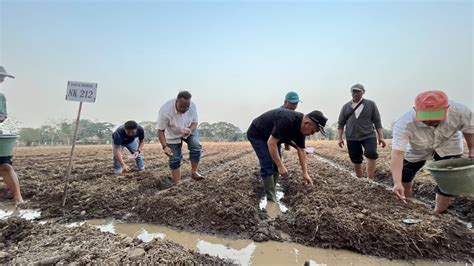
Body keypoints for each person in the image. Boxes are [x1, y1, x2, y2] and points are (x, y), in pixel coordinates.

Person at [391, 90, 473, 214]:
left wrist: (472, 148)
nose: (430, 121)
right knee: (405, 175)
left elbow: (469, 129)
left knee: (449, 179)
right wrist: (397, 183)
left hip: (448, 144)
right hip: (418, 147)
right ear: (416, 110)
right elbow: (397, 153)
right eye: (425, 116)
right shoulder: (404, 123)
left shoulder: (460, 111)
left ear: (447, 109)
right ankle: (407, 202)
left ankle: (437, 213)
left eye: (435, 116)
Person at [247, 108, 328, 201]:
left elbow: (301, 150)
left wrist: (305, 173)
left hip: (272, 137)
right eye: (313, 131)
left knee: (276, 163)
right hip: (258, 134)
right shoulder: (287, 119)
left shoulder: (302, 130)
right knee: (268, 162)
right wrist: (280, 166)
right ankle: (271, 199)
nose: (311, 134)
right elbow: (271, 143)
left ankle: (272, 190)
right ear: (307, 123)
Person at [337, 84, 386, 178]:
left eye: (358, 91)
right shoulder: (346, 107)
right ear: (351, 93)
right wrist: (339, 138)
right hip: (352, 136)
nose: (355, 94)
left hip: (368, 135)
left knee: (371, 154)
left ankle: (370, 179)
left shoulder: (371, 104)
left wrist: (381, 137)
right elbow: (341, 123)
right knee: (356, 158)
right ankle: (360, 179)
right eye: (353, 91)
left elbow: (377, 121)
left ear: (363, 92)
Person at [157, 91, 204, 184]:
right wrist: (164, 146)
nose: (185, 109)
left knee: (196, 146)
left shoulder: (192, 106)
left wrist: (190, 130)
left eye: (187, 106)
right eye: (182, 106)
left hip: (189, 129)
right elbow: (160, 130)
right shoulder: (165, 110)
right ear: (176, 101)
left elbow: (195, 122)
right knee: (174, 158)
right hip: (172, 135)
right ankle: (177, 182)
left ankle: (194, 172)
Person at [0, 66, 24, 204]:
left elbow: (3, 116)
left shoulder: (1, 98)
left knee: (5, 167)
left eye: (2, 78)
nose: (2, 81)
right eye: (0, 77)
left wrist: (1, 116)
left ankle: (18, 198)